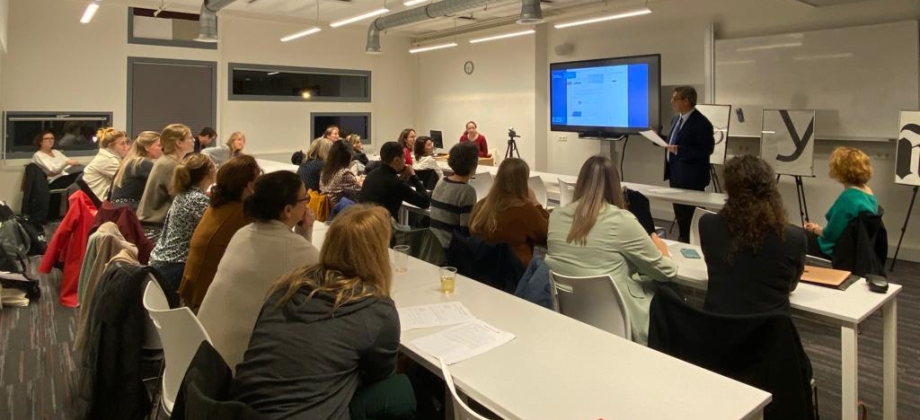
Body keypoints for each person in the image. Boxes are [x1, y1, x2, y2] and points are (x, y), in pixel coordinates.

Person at [231, 205, 415, 420]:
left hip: (239, 411)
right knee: (400, 390)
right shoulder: (376, 308)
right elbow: (380, 376)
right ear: (378, 255)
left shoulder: (287, 286)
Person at [545, 156, 676, 345]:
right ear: (615, 186)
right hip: (622, 324)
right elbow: (666, 272)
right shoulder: (622, 221)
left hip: (572, 318)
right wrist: (661, 249)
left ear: (580, 182)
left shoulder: (556, 218)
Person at [197, 171, 319, 372]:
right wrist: (305, 233)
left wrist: (302, 234)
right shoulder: (295, 250)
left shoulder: (243, 234)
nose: (307, 204)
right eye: (305, 199)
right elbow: (318, 287)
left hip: (205, 357)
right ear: (288, 210)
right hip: (238, 371)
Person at [700, 156, 806, 315]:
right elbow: (791, 286)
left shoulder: (707, 225)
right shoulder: (793, 238)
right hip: (769, 334)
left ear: (728, 188)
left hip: (718, 331)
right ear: (771, 189)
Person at [180, 155, 262, 309]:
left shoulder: (217, 207)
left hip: (192, 297)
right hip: (208, 304)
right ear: (250, 185)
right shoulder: (240, 214)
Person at [148, 154, 216, 294]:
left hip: (162, 263)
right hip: (175, 267)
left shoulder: (185, 194)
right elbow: (214, 231)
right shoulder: (197, 200)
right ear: (209, 171)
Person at [469, 158, 548, 267]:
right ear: (523, 182)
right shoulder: (525, 210)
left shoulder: (481, 206)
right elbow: (547, 235)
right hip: (516, 274)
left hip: (483, 269)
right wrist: (536, 203)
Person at [804, 147, 878, 259]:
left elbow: (830, 235)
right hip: (854, 250)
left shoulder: (848, 199)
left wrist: (814, 229)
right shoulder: (868, 193)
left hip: (834, 251)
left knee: (794, 237)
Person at [663, 86, 714, 243]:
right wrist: (657, 137)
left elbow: (706, 150)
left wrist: (679, 151)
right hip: (675, 174)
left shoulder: (701, 123)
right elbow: (672, 141)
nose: (672, 102)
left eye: (675, 99)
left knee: (691, 216)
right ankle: (683, 238)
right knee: (680, 214)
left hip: (691, 178)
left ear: (686, 101)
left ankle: (693, 242)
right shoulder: (675, 119)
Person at [138, 124, 196, 223]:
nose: (194, 140)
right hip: (154, 226)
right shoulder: (169, 165)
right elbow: (182, 198)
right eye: (190, 137)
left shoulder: (167, 161)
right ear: (179, 143)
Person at [359, 141, 430, 221]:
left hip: (366, 224)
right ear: (396, 160)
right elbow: (425, 202)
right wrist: (413, 176)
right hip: (386, 229)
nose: (405, 161)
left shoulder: (371, 174)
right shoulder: (396, 183)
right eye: (404, 158)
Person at [430, 142, 479, 249]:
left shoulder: (441, 182)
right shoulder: (467, 191)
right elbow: (466, 232)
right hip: (451, 250)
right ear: (474, 164)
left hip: (434, 245)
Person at [110, 131, 163, 209]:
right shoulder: (142, 163)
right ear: (147, 147)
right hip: (130, 210)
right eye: (159, 145)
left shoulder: (131, 161)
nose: (163, 149)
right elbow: (163, 183)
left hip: (120, 208)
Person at [83, 128, 130, 200]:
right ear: (111, 146)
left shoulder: (108, 156)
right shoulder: (107, 160)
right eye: (122, 144)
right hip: (100, 202)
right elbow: (127, 179)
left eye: (126, 143)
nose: (127, 147)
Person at [320, 141, 362, 206]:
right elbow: (361, 192)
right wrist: (360, 183)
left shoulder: (325, 171)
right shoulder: (344, 173)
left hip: (328, 209)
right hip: (339, 211)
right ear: (348, 156)